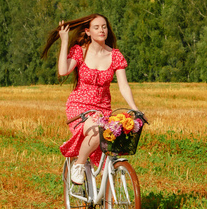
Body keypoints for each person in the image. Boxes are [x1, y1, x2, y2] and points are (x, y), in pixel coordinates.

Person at [41, 13, 144, 184]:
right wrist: (64, 41)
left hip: (103, 109)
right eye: (96, 27)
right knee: (98, 132)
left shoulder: (115, 55)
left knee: (109, 155)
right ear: (88, 32)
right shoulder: (80, 51)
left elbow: (123, 86)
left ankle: (112, 207)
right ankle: (79, 165)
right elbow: (63, 70)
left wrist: (134, 107)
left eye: (104, 26)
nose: (101, 30)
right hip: (80, 107)